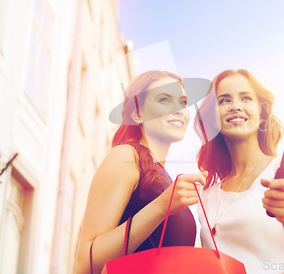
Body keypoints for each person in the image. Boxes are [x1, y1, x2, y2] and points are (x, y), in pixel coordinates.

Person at [75, 71, 207, 274]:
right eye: (164, 99)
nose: (179, 110)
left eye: (182, 102)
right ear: (138, 113)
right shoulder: (126, 156)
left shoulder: (162, 176)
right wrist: (162, 206)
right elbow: (86, 263)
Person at [195, 69, 284, 274]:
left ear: (262, 114)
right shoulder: (206, 198)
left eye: (246, 98)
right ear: (213, 120)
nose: (236, 106)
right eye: (224, 100)